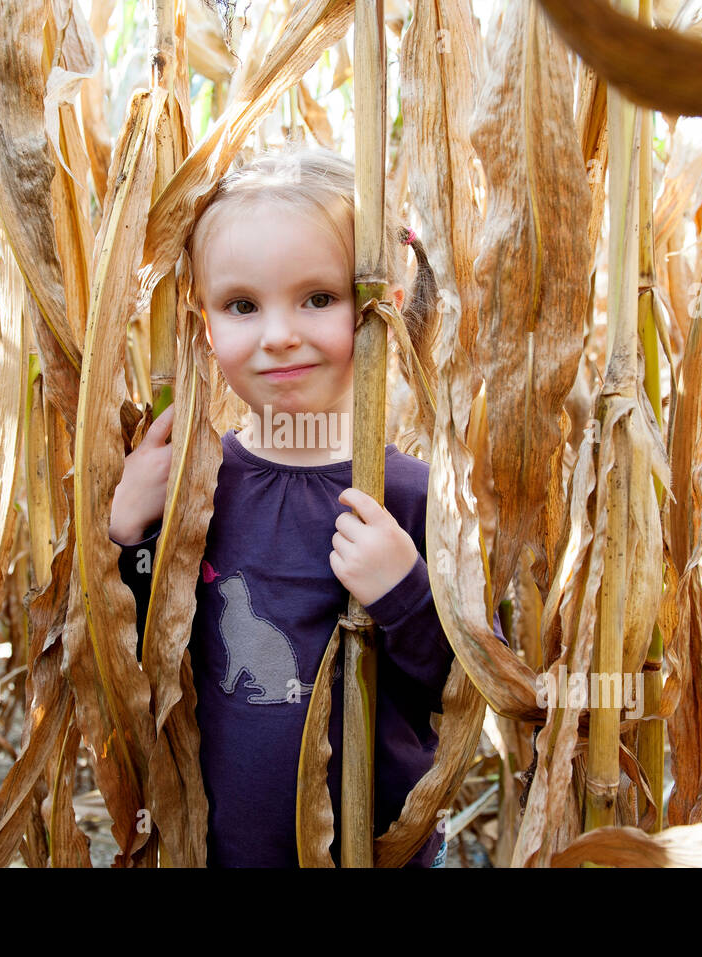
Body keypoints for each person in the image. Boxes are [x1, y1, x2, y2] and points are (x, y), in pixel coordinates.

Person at [109, 144, 506, 868]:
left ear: (376, 302)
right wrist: (130, 533)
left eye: (317, 297)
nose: (279, 333)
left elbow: (474, 688)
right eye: (241, 305)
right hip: (219, 849)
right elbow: (139, 660)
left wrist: (406, 594)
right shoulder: (194, 486)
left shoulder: (413, 497)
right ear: (204, 325)